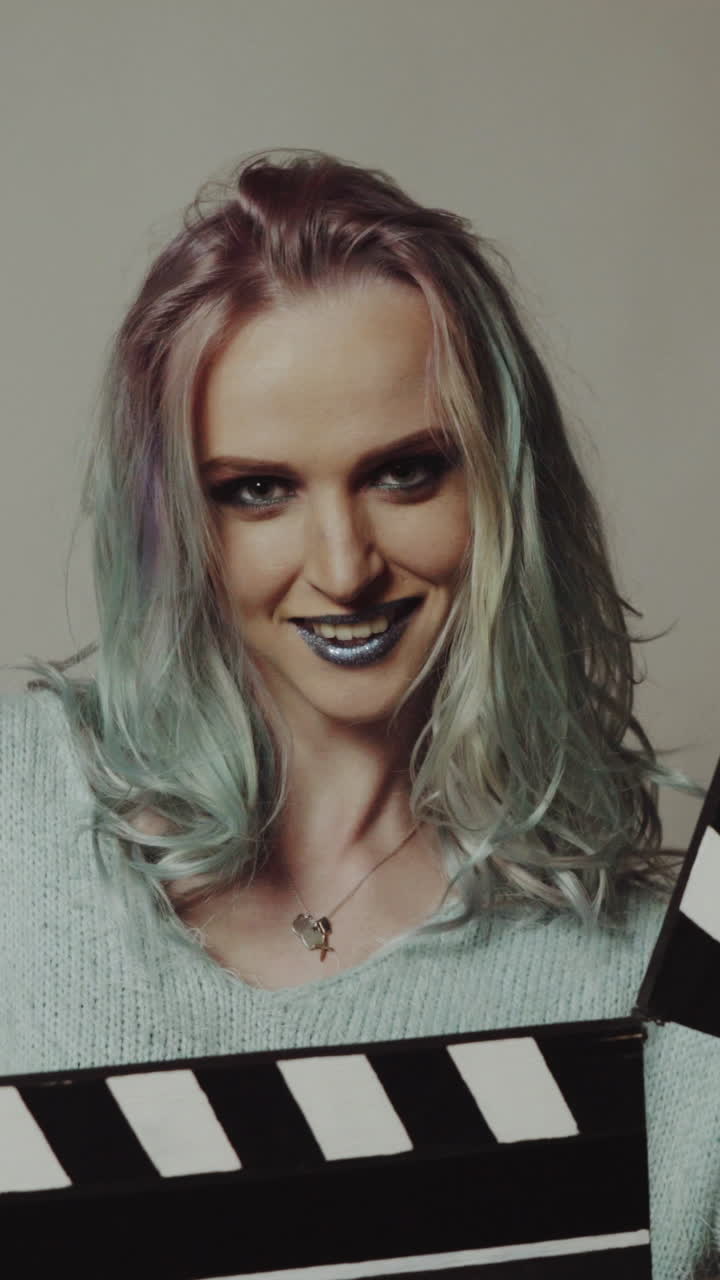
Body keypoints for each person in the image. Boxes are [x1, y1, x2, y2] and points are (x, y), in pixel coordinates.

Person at [1, 147, 719, 1278]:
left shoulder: (638, 981)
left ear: (502, 487)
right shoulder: (15, 808)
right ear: (177, 522)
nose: (343, 567)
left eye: (407, 471)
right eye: (258, 488)